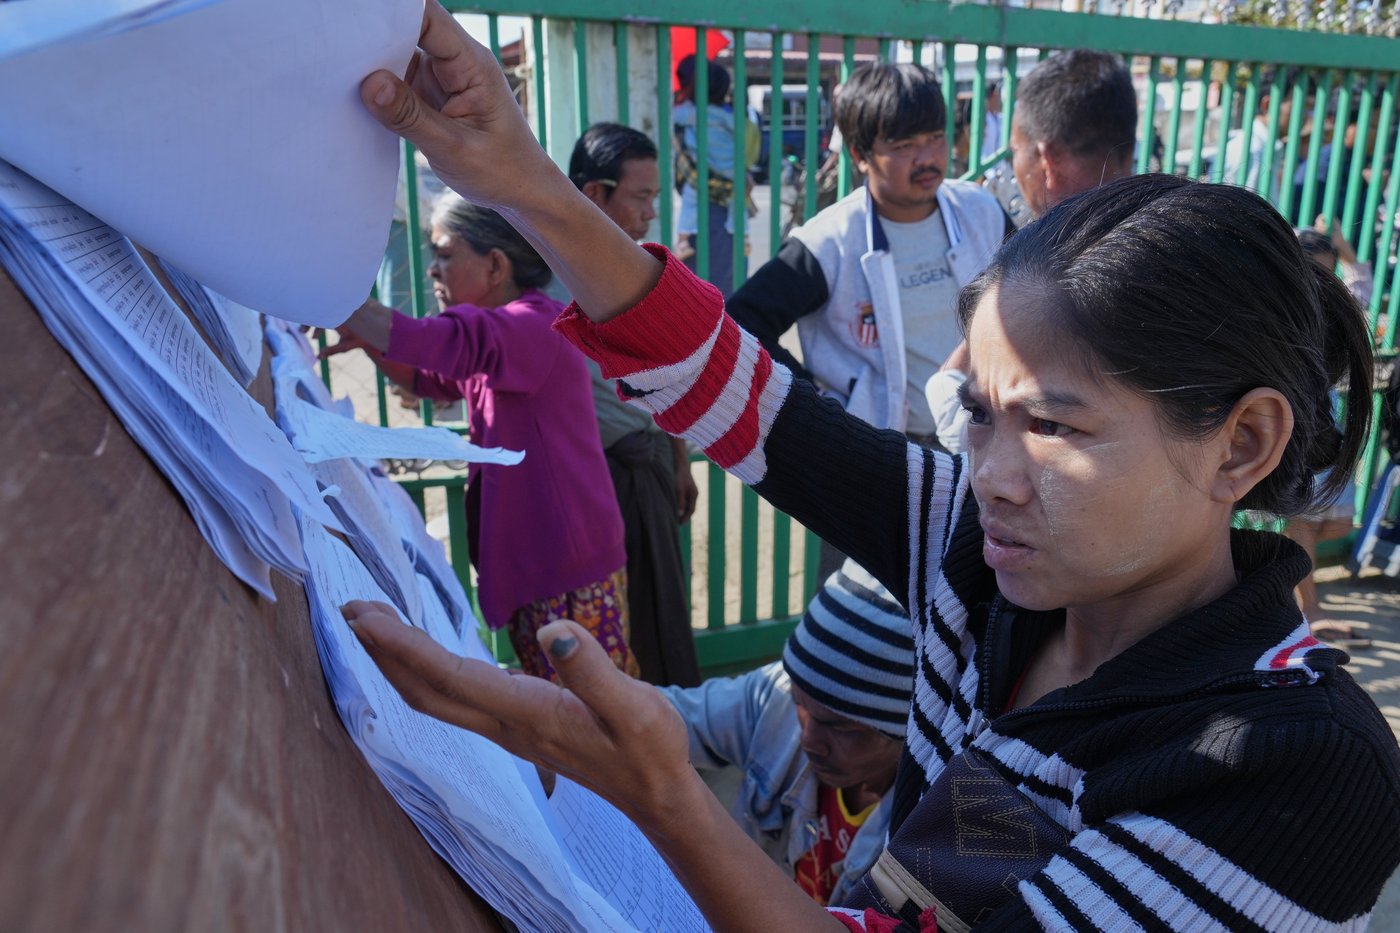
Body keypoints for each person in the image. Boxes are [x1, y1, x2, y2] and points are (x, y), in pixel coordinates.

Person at [345, 9, 1400, 929]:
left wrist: (663, 797)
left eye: (1054, 428)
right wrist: (524, 184)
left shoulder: (1291, 769)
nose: (989, 471)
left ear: (1243, 444)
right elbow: (740, 393)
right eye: (979, 414)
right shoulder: (974, 559)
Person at [324, 193, 634, 683]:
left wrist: (346, 303)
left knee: (592, 713)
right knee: (562, 708)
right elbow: (430, 378)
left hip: (566, 566)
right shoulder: (501, 337)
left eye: (445, 254)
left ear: (495, 265)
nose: (433, 270)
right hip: (542, 557)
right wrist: (371, 339)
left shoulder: (532, 325)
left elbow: (450, 343)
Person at [727, 60, 1010, 444]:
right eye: (904, 146)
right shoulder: (828, 242)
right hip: (881, 452)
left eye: (934, 138)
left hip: (983, 440)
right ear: (860, 154)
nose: (926, 157)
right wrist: (816, 403)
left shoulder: (981, 211)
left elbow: (1029, 295)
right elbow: (743, 323)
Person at [661, 560, 911, 906]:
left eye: (839, 727)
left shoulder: (927, 836)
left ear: (906, 732)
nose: (807, 738)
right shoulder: (775, 698)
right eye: (800, 703)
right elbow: (663, 718)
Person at [927, 47, 1137, 455]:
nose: (1013, 167)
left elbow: (966, 430)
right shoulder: (1176, 235)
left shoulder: (1051, 269)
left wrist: (944, 382)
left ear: (1044, 159)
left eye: (1014, 151)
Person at [563, 122, 702, 686]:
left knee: (653, 615)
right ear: (596, 194)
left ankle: (665, 736)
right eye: (640, 198)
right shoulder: (547, 270)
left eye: (653, 198)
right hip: (583, 481)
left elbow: (664, 374)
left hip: (641, 469)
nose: (650, 213)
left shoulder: (643, 268)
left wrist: (679, 459)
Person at [1284, 224, 1372, 648]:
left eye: (1329, 272)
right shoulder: (1285, 309)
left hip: (1330, 425)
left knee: (1333, 523)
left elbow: (1362, 290)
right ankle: (1309, 607)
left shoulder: (1338, 309)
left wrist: (1342, 244)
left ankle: (1295, 588)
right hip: (1297, 422)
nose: (1324, 281)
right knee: (1303, 516)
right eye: (1314, 271)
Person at [1006, 48, 1137, 219]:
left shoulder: (1044, 244)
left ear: (1049, 160)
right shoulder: (1174, 225)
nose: (1013, 165)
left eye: (1015, 151)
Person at [673, 55, 746, 296]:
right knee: (737, 204)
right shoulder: (730, 115)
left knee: (691, 199)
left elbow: (670, 118)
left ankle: (682, 241)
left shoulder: (690, 114)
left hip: (705, 183)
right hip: (731, 174)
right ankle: (743, 235)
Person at [1221, 67, 1302, 198]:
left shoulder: (1265, 148)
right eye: (1299, 107)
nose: (1306, 116)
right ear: (1268, 105)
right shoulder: (1250, 150)